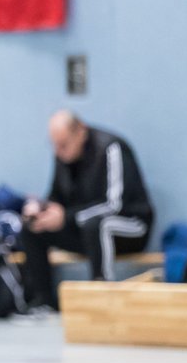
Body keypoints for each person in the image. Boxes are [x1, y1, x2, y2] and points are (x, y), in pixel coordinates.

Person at [19, 110, 154, 315]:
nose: (58, 150)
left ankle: (101, 296)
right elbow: (57, 198)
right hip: (84, 229)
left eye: (63, 144)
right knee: (34, 228)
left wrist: (66, 217)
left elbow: (115, 204)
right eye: (54, 144)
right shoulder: (62, 155)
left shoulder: (111, 147)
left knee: (97, 224)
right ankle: (43, 301)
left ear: (80, 131)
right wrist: (42, 210)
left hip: (130, 226)